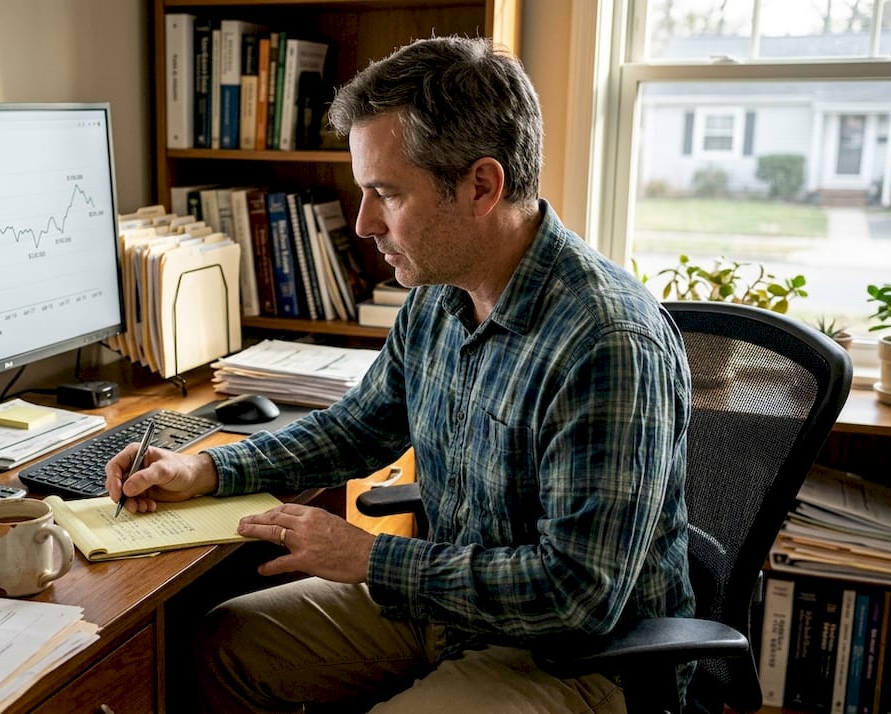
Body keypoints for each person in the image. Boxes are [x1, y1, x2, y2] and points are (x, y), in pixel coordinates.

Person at [106, 35, 694, 712]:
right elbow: (359, 428)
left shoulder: (607, 342)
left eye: (385, 193)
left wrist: (370, 559)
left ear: (481, 185)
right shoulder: (440, 291)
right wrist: (207, 471)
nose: (363, 223)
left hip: (579, 658)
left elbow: (579, 592)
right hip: (448, 606)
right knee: (222, 644)